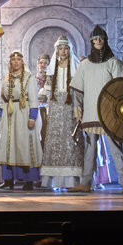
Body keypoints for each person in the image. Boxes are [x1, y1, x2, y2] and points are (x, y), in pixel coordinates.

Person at [67, 25, 123, 194]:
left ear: (105, 40)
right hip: (90, 112)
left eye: (101, 38)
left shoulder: (114, 63)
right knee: (90, 150)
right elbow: (78, 91)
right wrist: (77, 109)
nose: (98, 41)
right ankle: (86, 183)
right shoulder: (85, 65)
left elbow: (122, 88)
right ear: (91, 42)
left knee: (116, 148)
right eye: (95, 39)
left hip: (110, 114)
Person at [39, 36, 84, 190]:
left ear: (69, 50)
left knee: (71, 141)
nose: (63, 51)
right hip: (56, 107)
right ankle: (55, 180)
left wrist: (79, 107)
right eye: (60, 49)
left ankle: (72, 181)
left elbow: (80, 89)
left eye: (65, 48)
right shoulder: (53, 68)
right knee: (56, 141)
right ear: (56, 50)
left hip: (72, 107)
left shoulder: (76, 66)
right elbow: (48, 89)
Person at [0, 50, 41, 190]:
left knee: (23, 145)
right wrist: (1, 114)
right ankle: (8, 180)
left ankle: (29, 180)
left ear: (22, 62)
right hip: (9, 114)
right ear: (10, 62)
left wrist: (32, 117)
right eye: (13, 60)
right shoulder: (6, 78)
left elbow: (33, 99)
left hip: (23, 112)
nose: (16, 62)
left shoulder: (29, 78)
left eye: (18, 60)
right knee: (7, 145)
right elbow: (3, 99)